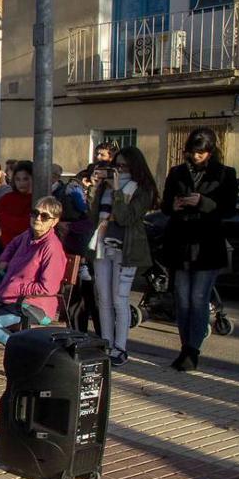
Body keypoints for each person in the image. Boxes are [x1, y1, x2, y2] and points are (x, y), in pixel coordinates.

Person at [160, 127, 237, 372]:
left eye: (201, 153)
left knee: (199, 298)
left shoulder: (225, 173)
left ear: (210, 151)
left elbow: (229, 208)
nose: (196, 157)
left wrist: (203, 202)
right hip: (180, 245)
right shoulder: (177, 172)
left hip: (207, 246)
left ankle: (193, 350)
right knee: (182, 299)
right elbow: (164, 205)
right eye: (193, 152)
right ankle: (186, 347)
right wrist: (174, 205)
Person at [87, 147, 155, 367]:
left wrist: (116, 190)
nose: (120, 170)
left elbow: (126, 218)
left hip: (126, 248)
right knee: (103, 298)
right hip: (102, 245)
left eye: (125, 166)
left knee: (120, 299)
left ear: (135, 167)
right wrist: (95, 188)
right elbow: (93, 216)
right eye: (117, 165)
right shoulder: (106, 187)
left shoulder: (141, 189)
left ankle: (121, 347)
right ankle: (106, 342)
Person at [0, 196, 67, 344]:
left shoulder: (52, 248)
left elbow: (48, 288)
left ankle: (22, 350)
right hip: (11, 301)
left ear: (54, 221)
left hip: (35, 307)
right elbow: (12, 245)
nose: (38, 218)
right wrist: (3, 260)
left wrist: (16, 287)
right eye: (35, 213)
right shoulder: (28, 235)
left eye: (44, 216)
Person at [0, 160, 33, 246]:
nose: (21, 183)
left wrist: (5, 219)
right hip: (4, 245)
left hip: (26, 245)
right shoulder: (6, 198)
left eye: (25, 179)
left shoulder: (36, 200)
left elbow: (26, 225)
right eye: (18, 179)